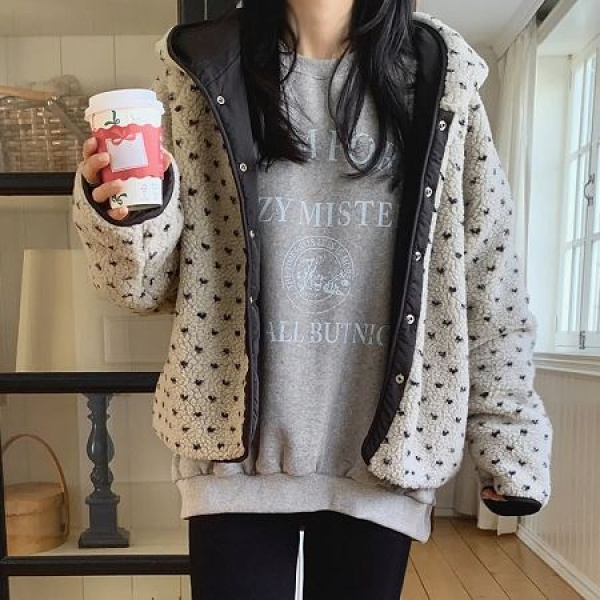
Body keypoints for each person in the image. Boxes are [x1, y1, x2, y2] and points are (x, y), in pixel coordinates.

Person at [72, 1, 553, 598]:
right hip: (232, 460)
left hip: (381, 463)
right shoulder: (203, 67)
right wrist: (124, 217)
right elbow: (148, 287)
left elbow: (488, 277)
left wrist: (510, 441)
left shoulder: (440, 74)